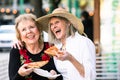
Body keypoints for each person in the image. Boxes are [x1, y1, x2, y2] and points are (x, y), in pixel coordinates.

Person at [36, 8, 96, 80]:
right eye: (51, 24)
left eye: (57, 22)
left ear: (68, 23)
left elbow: (91, 76)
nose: (53, 26)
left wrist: (71, 58)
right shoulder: (57, 46)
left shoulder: (84, 42)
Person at [9, 13, 63, 80]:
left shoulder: (51, 47)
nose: (29, 31)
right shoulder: (16, 51)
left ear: (39, 30)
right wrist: (20, 74)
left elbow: (63, 74)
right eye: (23, 29)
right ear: (20, 36)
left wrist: (55, 75)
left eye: (31, 27)